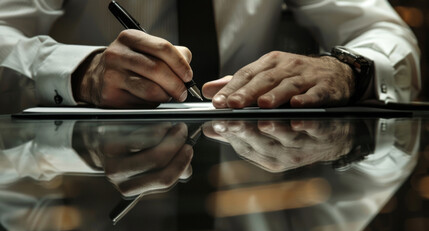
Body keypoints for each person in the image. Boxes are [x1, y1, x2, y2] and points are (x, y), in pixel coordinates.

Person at [0, 0, 421, 111]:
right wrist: (79, 73)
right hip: (88, 197)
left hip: (259, 185)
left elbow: (387, 35)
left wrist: (344, 69)